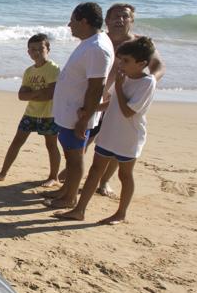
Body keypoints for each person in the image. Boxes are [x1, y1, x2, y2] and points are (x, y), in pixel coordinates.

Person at [54, 37, 158, 224]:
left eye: (126, 61)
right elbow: (114, 103)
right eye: (120, 60)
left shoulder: (147, 83)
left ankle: (121, 212)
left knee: (124, 175)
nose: (121, 65)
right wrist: (92, 109)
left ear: (141, 63)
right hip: (109, 132)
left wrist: (118, 84)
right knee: (95, 170)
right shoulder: (124, 77)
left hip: (128, 137)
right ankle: (79, 210)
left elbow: (128, 111)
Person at [43, 2, 114, 211]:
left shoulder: (97, 48)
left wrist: (84, 118)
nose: (69, 24)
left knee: (75, 158)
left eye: (72, 20)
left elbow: (96, 86)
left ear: (84, 21)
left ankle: (70, 198)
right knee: (70, 155)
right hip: (69, 112)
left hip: (77, 114)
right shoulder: (90, 42)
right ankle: (65, 191)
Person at [94, 3, 166, 196]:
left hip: (125, 99)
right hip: (98, 98)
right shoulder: (99, 39)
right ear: (107, 20)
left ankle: (104, 182)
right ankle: (74, 173)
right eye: (115, 16)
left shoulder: (139, 44)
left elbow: (158, 66)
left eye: (125, 16)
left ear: (132, 21)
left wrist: (144, 84)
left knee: (119, 145)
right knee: (90, 138)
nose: (120, 20)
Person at [0, 34, 61, 183]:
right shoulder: (29, 71)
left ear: (48, 49)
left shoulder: (53, 68)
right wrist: (38, 93)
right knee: (17, 142)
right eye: (33, 49)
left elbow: (49, 94)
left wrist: (32, 94)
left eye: (40, 49)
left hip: (49, 114)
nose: (37, 53)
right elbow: (21, 96)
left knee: (51, 145)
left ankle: (53, 177)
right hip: (31, 113)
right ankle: (2, 173)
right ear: (28, 52)